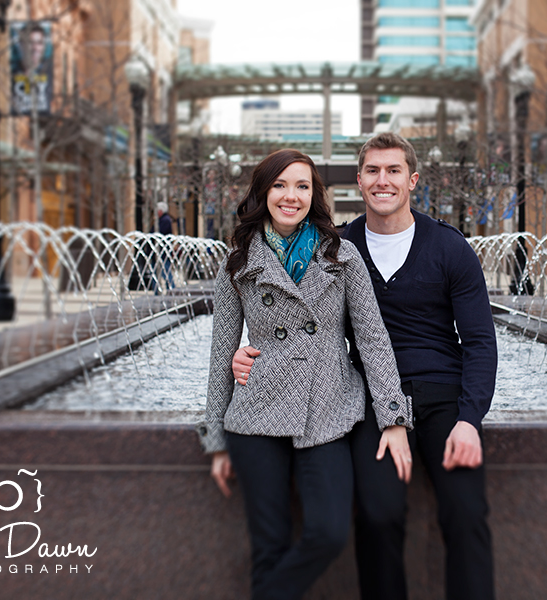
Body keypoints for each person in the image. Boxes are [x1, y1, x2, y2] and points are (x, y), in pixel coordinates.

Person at [234, 133, 498, 600]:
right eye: (372, 172)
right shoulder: (338, 246)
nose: (383, 181)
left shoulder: (449, 247)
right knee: (377, 513)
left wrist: (470, 419)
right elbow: (293, 312)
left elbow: (479, 342)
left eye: (393, 171)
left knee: (465, 511)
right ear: (359, 181)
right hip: (371, 400)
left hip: (443, 396)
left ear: (412, 180)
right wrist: (254, 353)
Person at [198, 148, 413, 600]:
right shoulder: (238, 261)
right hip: (257, 415)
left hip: (328, 411)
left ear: (314, 194)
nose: (290, 196)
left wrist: (393, 419)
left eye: (301, 186)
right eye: (279, 185)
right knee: (268, 548)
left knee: (330, 532)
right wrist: (216, 440)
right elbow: (222, 356)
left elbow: (373, 339)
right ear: (264, 192)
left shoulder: (342, 255)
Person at [151, 201, 175, 294]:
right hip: (158, 252)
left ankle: (171, 291)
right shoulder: (162, 220)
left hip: (162, 252)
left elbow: (159, 233)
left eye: (157, 210)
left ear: (161, 211)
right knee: (157, 273)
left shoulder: (165, 220)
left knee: (165, 273)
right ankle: (158, 291)